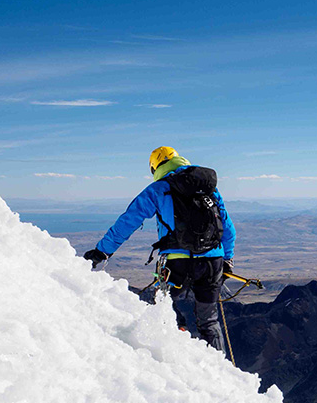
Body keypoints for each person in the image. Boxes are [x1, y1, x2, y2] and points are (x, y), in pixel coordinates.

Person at [83, 146, 236, 352]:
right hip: (212, 261)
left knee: (165, 309)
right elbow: (227, 228)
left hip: (176, 262)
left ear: (155, 167)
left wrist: (102, 251)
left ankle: (175, 353)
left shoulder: (158, 189)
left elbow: (127, 222)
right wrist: (227, 259)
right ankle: (220, 372)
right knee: (209, 321)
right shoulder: (210, 189)